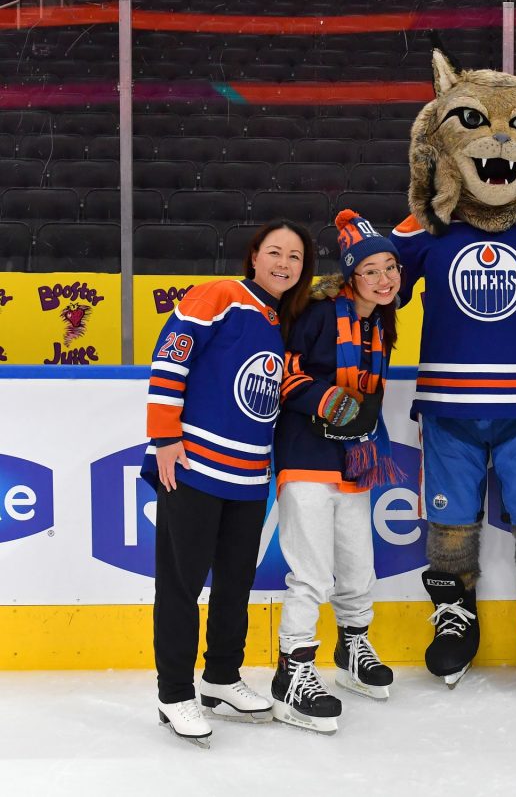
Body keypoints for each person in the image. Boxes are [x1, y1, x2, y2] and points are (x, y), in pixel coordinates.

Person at [392, 43, 516, 696]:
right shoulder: (427, 229)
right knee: (449, 523)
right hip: (447, 412)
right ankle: (456, 615)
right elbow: (378, 281)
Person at [142, 219, 315, 748]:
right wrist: (164, 436)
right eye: (275, 252)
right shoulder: (219, 296)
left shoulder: (279, 321)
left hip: (248, 475)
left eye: (295, 257)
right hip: (193, 465)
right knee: (181, 584)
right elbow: (170, 358)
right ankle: (174, 693)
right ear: (254, 256)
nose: (284, 263)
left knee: (235, 584)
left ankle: (220, 677)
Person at [269, 209, 405, 734]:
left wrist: (355, 416)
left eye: (390, 267)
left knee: (357, 565)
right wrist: (333, 402)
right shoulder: (319, 313)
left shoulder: (379, 322)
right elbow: (284, 373)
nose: (384, 278)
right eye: (370, 270)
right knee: (311, 573)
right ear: (351, 275)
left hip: (352, 457)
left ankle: (352, 648)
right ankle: (293, 672)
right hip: (306, 454)